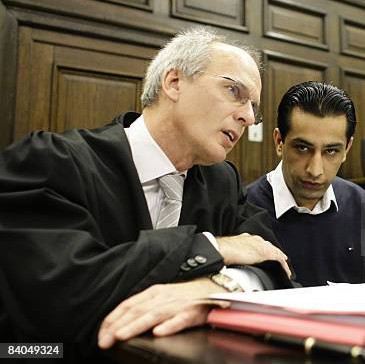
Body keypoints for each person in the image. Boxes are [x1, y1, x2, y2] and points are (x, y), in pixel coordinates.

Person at [0, 27, 294, 360]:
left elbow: (273, 262)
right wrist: (213, 248)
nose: (248, 117)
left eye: (254, 106)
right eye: (233, 91)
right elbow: (58, 299)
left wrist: (214, 291)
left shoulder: (222, 181)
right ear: (174, 82)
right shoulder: (51, 162)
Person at [246, 82, 365, 287]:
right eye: (302, 148)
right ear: (279, 141)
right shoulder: (244, 207)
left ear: (347, 148)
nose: (315, 170)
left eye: (331, 151)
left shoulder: (361, 203)